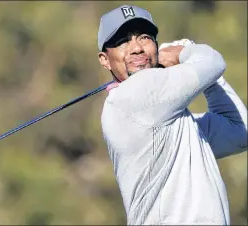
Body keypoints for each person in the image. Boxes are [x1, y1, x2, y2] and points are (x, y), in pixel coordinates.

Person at [97, 5, 247, 225]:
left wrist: (203, 73)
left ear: (156, 46)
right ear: (104, 59)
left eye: (145, 38)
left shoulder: (173, 120)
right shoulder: (134, 95)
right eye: (123, 42)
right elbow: (213, 62)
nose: (137, 48)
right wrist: (185, 50)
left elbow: (240, 132)